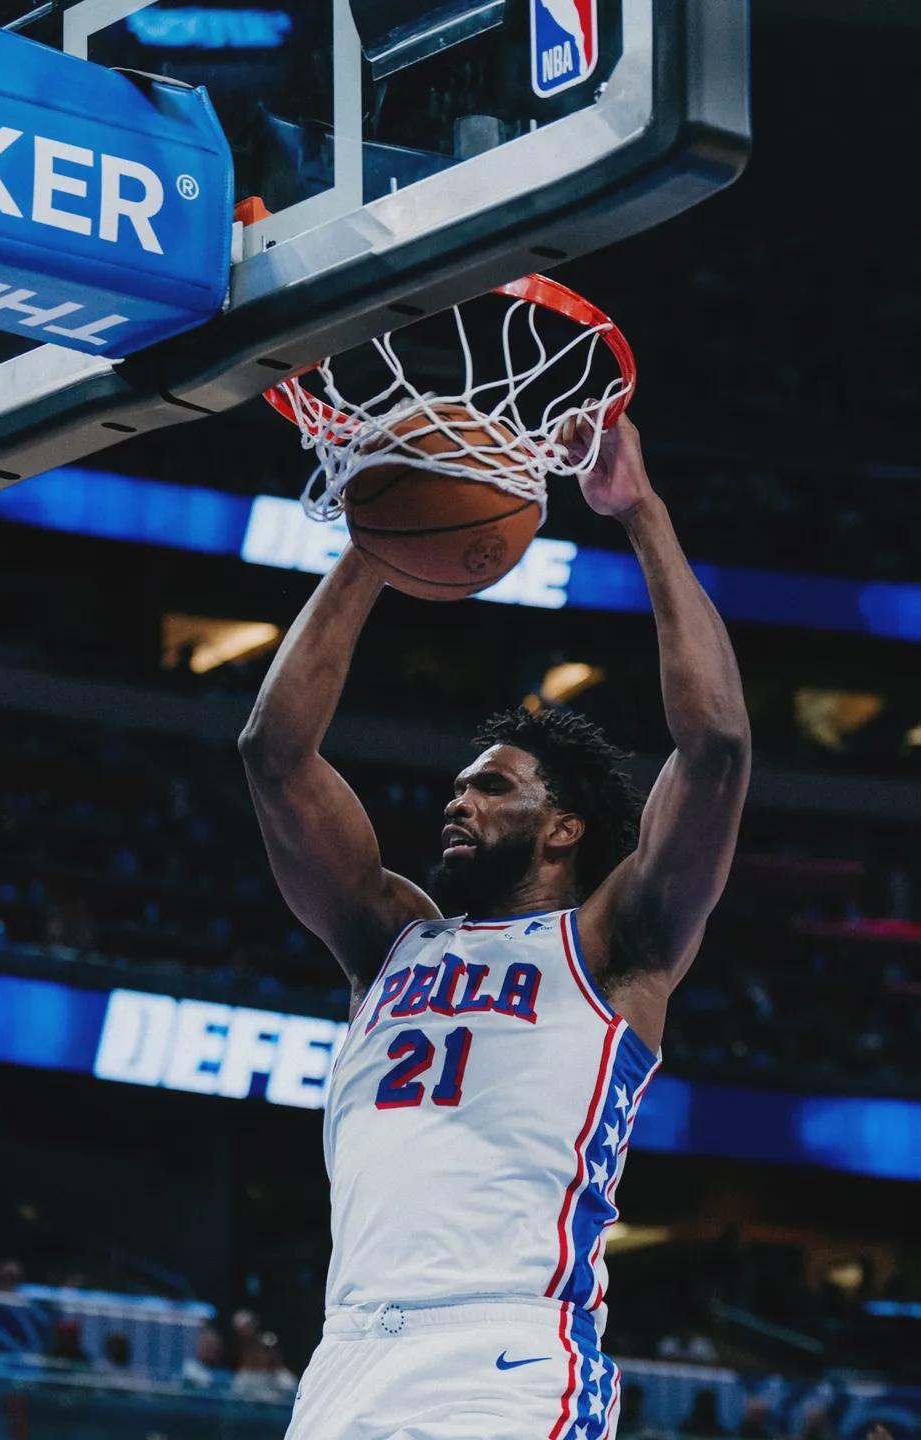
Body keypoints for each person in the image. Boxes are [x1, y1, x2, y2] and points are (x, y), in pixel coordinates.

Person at [239, 415, 750, 1440]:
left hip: (506, 1354)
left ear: (564, 828)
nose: (457, 802)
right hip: (347, 1355)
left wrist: (639, 513)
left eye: (492, 788)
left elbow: (717, 748)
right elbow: (273, 751)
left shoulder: (615, 945)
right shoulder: (391, 938)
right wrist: (375, 539)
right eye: (461, 786)